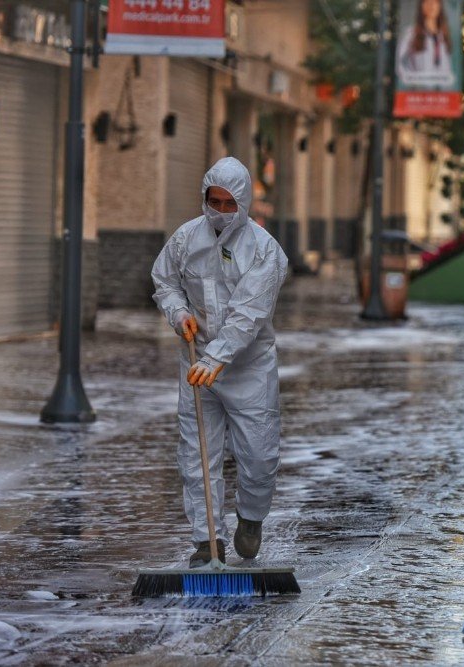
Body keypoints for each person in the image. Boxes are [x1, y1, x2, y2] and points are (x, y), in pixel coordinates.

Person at [152, 157, 289, 567]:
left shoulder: (265, 251)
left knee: (259, 456)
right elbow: (164, 280)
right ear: (205, 199)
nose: (222, 212)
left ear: (244, 203)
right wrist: (178, 314)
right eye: (215, 202)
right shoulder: (185, 239)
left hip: (248, 367)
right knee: (197, 455)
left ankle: (251, 517)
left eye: (231, 204)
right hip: (196, 361)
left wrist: (218, 358)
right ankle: (206, 541)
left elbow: (249, 314)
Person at [396, 0, 455, 88]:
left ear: (440, 6)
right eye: (427, 2)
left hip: (441, 95)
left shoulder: (444, 35)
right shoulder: (411, 33)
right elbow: (399, 63)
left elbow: (447, 68)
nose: (431, 6)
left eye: (435, 2)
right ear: (421, 6)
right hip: (419, 93)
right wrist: (411, 80)